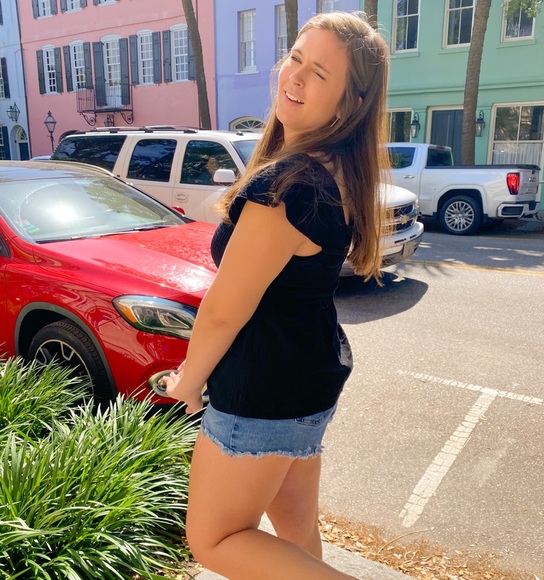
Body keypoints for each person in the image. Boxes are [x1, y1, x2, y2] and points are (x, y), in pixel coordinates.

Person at [164, 11, 390, 580]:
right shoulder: (337, 170)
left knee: (214, 539)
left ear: (350, 103)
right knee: (295, 531)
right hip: (306, 382)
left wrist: (188, 381)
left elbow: (224, 312)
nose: (295, 76)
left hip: (262, 392)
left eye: (319, 72)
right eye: (295, 57)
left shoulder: (287, 187)